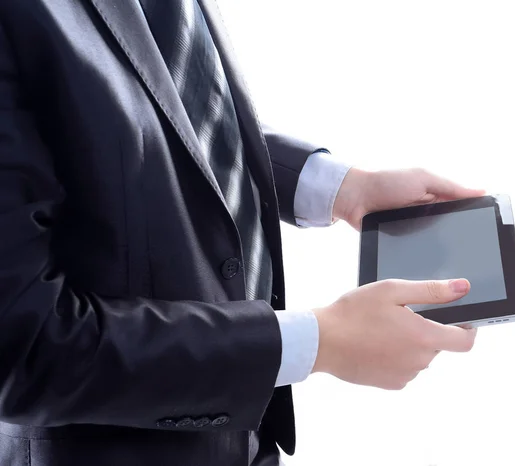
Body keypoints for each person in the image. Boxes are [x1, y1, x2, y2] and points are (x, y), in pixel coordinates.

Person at [0, 1, 484, 465]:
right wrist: (320, 341)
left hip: (246, 444)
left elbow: (171, 112)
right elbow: (26, 348)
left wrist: (341, 188)